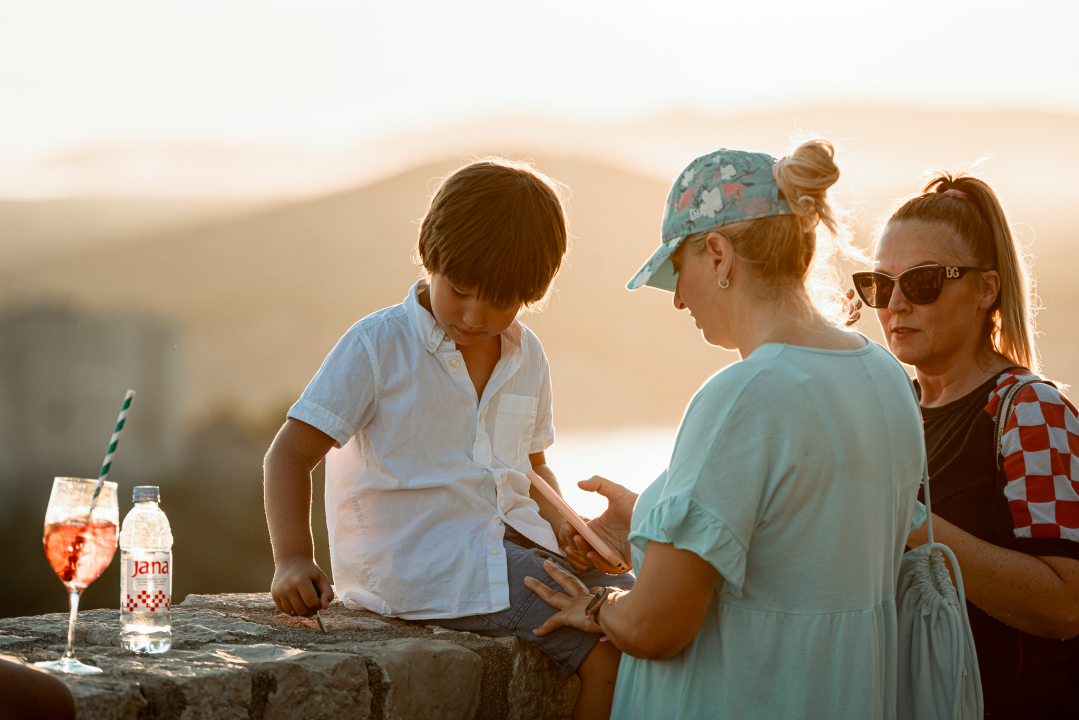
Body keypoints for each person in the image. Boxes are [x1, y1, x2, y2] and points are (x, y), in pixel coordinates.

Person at [524, 141, 926, 718]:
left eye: (676, 271)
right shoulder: (883, 375)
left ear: (718, 255)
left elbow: (655, 625)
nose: (677, 299)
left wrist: (595, 607)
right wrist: (649, 517)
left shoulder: (744, 396)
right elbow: (801, 544)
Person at [262, 158, 634, 720]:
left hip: (510, 549)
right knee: (609, 646)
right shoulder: (378, 345)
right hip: (427, 568)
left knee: (645, 601)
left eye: (500, 302)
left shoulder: (527, 355)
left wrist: (565, 526)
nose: (474, 316)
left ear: (530, 294)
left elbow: (531, 466)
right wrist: (293, 558)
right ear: (429, 255)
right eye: (460, 291)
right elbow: (289, 455)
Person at [849, 173, 1079, 715]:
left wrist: (908, 518)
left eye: (923, 282)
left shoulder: (1027, 410)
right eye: (878, 284)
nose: (895, 304)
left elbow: (1067, 604)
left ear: (986, 289)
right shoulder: (888, 412)